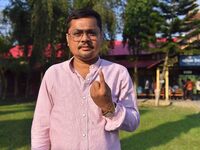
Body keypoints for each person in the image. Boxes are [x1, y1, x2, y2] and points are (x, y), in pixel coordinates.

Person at [31, 8, 140, 150]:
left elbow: (133, 123)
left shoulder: (118, 73)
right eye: (77, 33)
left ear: (101, 36)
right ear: (68, 39)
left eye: (91, 33)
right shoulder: (53, 74)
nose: (84, 39)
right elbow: (41, 126)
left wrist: (108, 106)